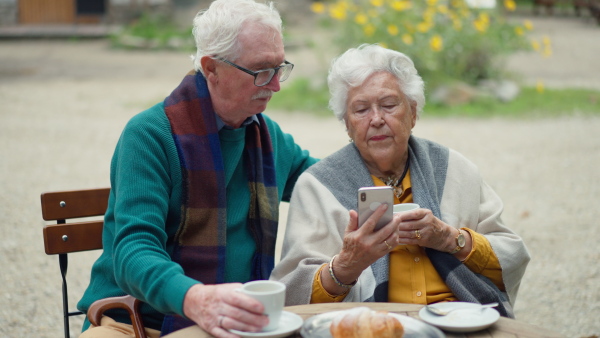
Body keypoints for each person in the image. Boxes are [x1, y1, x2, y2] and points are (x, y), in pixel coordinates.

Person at [77, 1, 318, 337]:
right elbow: (133, 252)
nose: (276, 85)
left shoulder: (267, 136)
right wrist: (194, 298)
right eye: (262, 70)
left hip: (237, 321)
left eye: (280, 68)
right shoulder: (149, 135)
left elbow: (325, 182)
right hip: (134, 321)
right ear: (212, 69)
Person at [270, 44, 530, 318]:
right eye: (360, 110)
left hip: (460, 320)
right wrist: (346, 266)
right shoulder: (317, 187)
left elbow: (513, 254)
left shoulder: (454, 168)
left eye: (389, 105)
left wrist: (450, 239)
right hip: (371, 327)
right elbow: (291, 295)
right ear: (346, 123)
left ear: (413, 113)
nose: (377, 119)